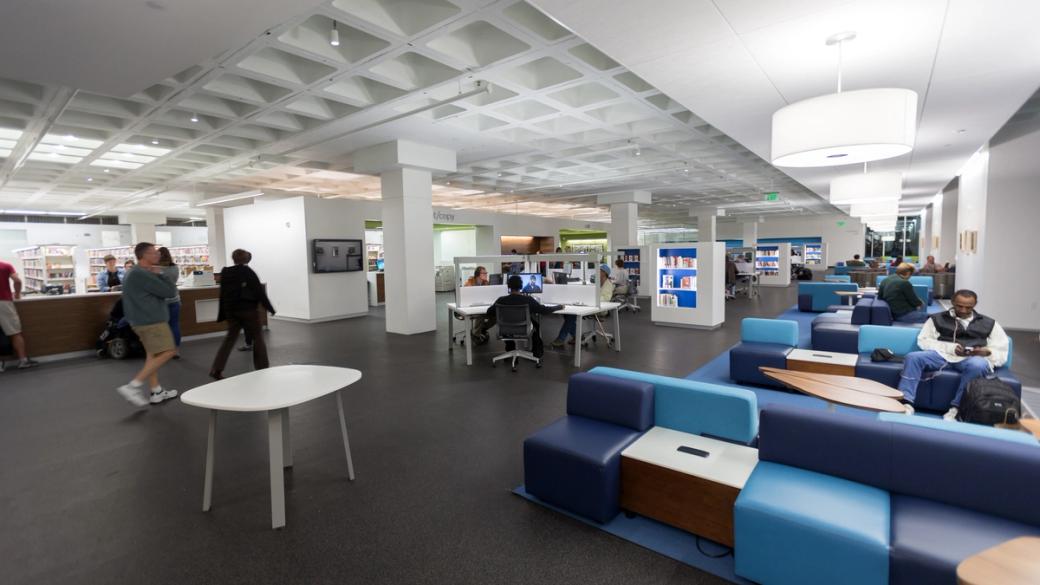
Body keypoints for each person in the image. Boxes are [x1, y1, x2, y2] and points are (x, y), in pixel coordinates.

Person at [897, 289, 1009, 420]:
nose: (963, 310)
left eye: (968, 307)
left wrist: (986, 352)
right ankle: (906, 402)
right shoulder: (937, 318)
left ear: (975, 305)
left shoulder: (990, 323)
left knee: (978, 365)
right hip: (942, 355)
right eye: (959, 306)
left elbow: (1001, 349)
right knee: (913, 358)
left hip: (970, 359)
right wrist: (950, 348)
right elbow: (924, 340)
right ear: (952, 302)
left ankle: (957, 408)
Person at [115, 242, 179, 407]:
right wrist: (160, 274)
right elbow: (170, 292)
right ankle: (133, 386)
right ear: (143, 255)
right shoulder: (142, 274)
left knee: (153, 355)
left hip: (141, 320)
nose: (157, 255)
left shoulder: (134, 272)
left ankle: (156, 391)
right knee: (169, 351)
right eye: (153, 252)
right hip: (151, 321)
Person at [209, 249, 275, 380]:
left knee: (229, 339)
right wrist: (270, 308)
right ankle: (262, 368)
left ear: (233, 258)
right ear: (247, 259)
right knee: (258, 337)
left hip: (231, 312)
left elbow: (223, 293)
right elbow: (259, 292)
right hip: (248, 310)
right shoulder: (247, 272)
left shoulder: (226, 272)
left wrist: (224, 313)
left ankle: (216, 369)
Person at [479, 274, 560, 358]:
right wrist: (559, 307)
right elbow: (544, 310)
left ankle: (510, 349)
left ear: (509, 286)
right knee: (536, 325)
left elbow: (489, 312)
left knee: (507, 322)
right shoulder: (528, 300)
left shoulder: (501, 300)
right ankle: (536, 352)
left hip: (505, 330)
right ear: (521, 286)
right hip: (524, 330)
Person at [552, 264, 614, 347]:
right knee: (567, 314)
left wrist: (590, 297)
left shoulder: (608, 285)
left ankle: (561, 338)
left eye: (599, 270)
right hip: (591, 304)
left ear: (604, 273)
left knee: (571, 315)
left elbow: (605, 298)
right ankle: (577, 337)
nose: (597, 272)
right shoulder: (598, 282)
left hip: (600, 309)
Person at [0, 260, 39, 369]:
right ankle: (23, 361)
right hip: (3, 302)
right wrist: (17, 294)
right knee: (15, 332)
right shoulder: (5, 266)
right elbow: (17, 280)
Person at [157, 247, 182, 358]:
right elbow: (174, 281)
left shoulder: (156, 269)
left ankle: (164, 351)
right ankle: (176, 350)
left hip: (161, 302)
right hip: (174, 299)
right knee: (175, 325)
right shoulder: (175, 268)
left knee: (162, 327)